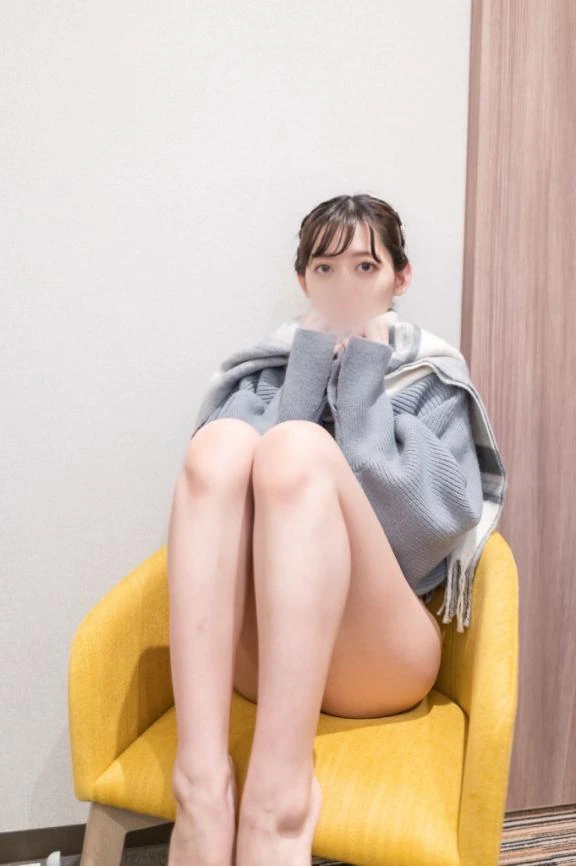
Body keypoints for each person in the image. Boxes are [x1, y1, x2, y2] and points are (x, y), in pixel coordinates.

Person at [165, 193, 486, 866]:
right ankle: (200, 792)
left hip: (383, 656)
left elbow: (422, 537)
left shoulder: (432, 379)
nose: (345, 286)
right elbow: (221, 514)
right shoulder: (264, 373)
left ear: (400, 278)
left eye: (365, 267)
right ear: (303, 279)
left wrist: (363, 378)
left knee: (294, 450)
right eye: (325, 268)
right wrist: (309, 367)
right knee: (220, 446)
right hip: (268, 658)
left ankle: (279, 805)